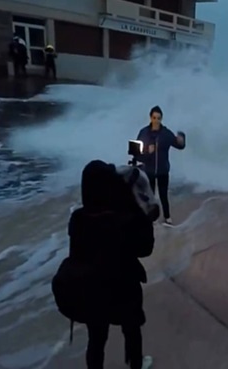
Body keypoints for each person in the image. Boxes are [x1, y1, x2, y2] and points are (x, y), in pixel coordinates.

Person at [52, 160, 156, 369]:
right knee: (132, 331)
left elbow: (78, 251)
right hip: (123, 288)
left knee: (97, 339)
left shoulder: (78, 218)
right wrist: (140, 210)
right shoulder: (123, 219)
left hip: (91, 290)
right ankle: (136, 364)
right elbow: (145, 249)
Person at [135, 105, 186, 226]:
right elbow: (136, 154)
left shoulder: (166, 134)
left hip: (163, 170)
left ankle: (167, 217)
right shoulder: (143, 133)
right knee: (150, 195)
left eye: (158, 118)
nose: (156, 120)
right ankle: (150, 219)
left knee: (163, 195)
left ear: (161, 119)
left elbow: (179, 146)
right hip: (149, 170)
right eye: (154, 118)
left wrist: (182, 139)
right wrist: (147, 150)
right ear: (150, 118)